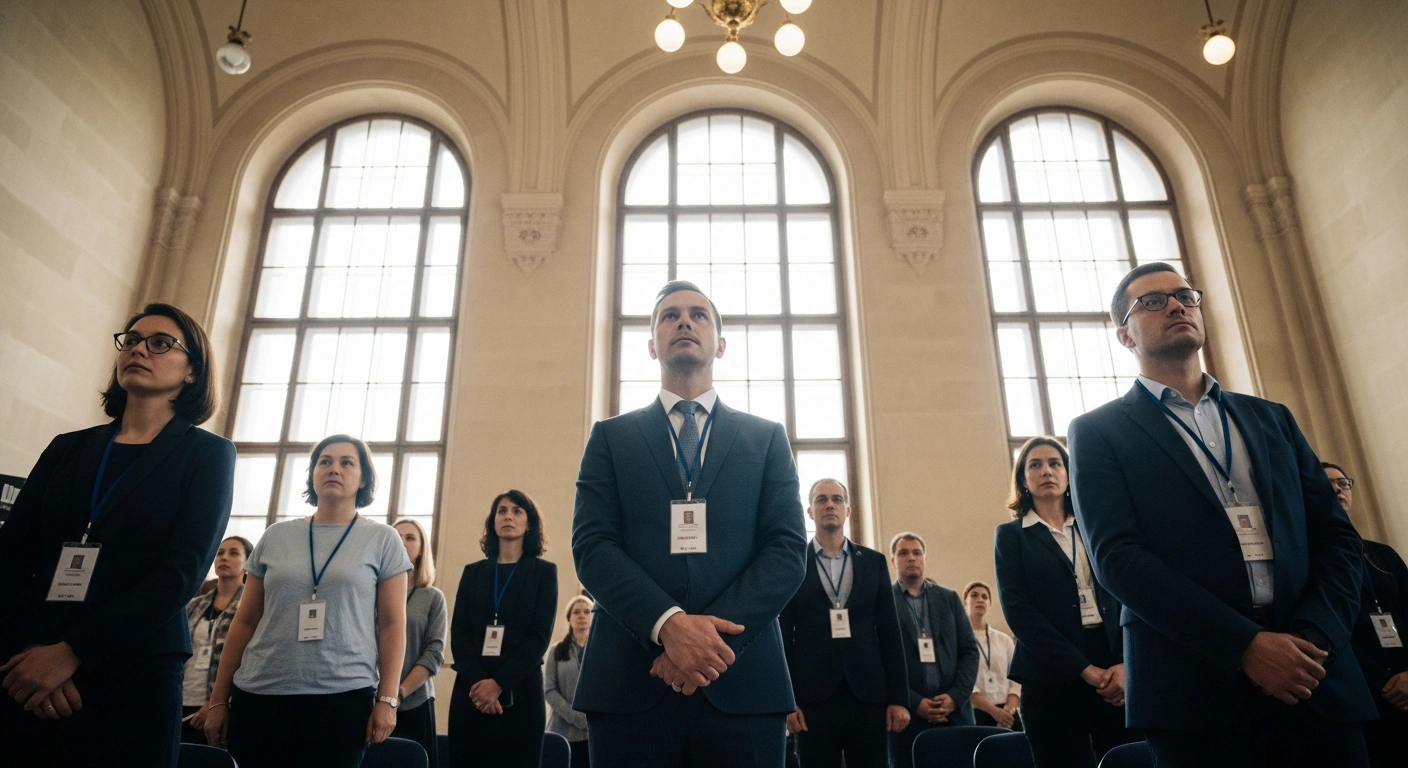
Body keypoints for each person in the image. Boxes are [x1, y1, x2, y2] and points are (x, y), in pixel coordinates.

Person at [1067, 262, 1376, 768]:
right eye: (1152, 300)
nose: (1176, 304)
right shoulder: (1098, 432)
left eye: (1185, 295)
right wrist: (1245, 646)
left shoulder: (1270, 417)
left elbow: (1336, 538)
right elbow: (1118, 560)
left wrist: (1311, 638)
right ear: (1124, 335)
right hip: (1195, 688)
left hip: (1313, 675)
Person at [572, 280, 808, 767]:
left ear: (720, 343)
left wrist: (709, 645)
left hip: (742, 684)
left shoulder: (765, 439)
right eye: (669, 315)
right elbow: (593, 547)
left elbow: (786, 550)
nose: (684, 321)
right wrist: (668, 626)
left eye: (699, 315)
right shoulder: (611, 438)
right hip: (631, 681)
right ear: (652, 343)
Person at [0, 303, 235, 768]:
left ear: (193, 371)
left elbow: (181, 572)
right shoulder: (68, 448)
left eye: (160, 343)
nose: (139, 350)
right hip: (32, 667)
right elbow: (9, 558)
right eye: (130, 340)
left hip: (135, 669)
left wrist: (72, 653)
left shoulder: (207, 455)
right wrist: (33, 653)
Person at [202, 435, 411, 767]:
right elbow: (245, 621)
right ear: (313, 473)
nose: (333, 469)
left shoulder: (382, 539)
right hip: (260, 692)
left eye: (347, 462)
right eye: (324, 461)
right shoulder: (276, 535)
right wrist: (217, 701)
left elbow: (392, 623)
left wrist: (387, 698)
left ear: (364, 478)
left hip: (342, 696)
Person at [994, 437, 1133, 768]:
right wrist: (1083, 670)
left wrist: (1125, 664)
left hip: (1114, 671)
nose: (1046, 471)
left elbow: (1127, 592)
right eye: (1035, 465)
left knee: (1125, 759)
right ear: (1022, 480)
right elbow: (1018, 611)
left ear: (1069, 473)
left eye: (1055, 463)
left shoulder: (1093, 526)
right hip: (1050, 674)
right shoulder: (1011, 535)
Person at [780, 479, 909, 768]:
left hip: (868, 694)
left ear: (847, 510)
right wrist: (786, 701)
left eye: (837, 499)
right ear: (810, 512)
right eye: (821, 499)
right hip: (812, 697)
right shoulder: (794, 562)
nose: (829, 505)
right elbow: (784, 636)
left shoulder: (873, 562)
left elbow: (890, 633)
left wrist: (899, 698)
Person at [448, 490, 558, 768]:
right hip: (470, 692)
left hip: (521, 693)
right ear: (493, 521)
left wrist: (497, 685)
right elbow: (459, 634)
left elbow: (539, 637)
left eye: (517, 511)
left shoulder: (544, 572)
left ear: (529, 523)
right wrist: (480, 686)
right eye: (502, 510)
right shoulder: (473, 572)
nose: (508, 516)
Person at [1325, 462, 1408, 767]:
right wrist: (1383, 682)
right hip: (1361, 693)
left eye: (1343, 483)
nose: (1337, 488)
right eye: (1328, 483)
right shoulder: (1310, 557)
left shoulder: (1382, 553)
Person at [888, 532, 980, 768]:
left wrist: (955, 697)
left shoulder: (948, 598)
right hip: (907, 716)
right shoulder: (884, 601)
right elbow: (880, 661)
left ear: (925, 559)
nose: (911, 558)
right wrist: (914, 701)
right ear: (893, 561)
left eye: (917, 553)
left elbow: (969, 651)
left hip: (954, 714)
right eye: (903, 553)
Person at [181, 536, 253, 744]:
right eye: (220, 553)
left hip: (221, 704)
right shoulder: (193, 604)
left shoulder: (250, 609)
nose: (224, 558)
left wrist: (216, 702)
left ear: (247, 563)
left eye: (233, 553)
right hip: (184, 697)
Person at [391, 518, 447, 766]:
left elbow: (434, 652)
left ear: (422, 548)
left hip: (415, 701)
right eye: (396, 537)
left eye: (410, 537)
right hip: (369, 699)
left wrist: (398, 693)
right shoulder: (371, 591)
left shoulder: (433, 597)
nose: (402, 542)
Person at [961, 580, 1021, 731]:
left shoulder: (1004, 639)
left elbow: (1017, 678)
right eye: (974, 595)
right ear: (965, 602)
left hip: (1008, 713)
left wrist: (1008, 710)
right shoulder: (958, 640)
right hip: (977, 712)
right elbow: (964, 681)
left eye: (985, 597)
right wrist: (994, 712)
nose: (980, 599)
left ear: (990, 603)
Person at [546, 595, 595, 768]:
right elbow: (549, 690)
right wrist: (575, 717)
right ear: (569, 618)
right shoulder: (556, 651)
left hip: (594, 734)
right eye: (576, 612)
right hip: (563, 733)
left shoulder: (599, 650)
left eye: (587, 612)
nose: (582, 616)